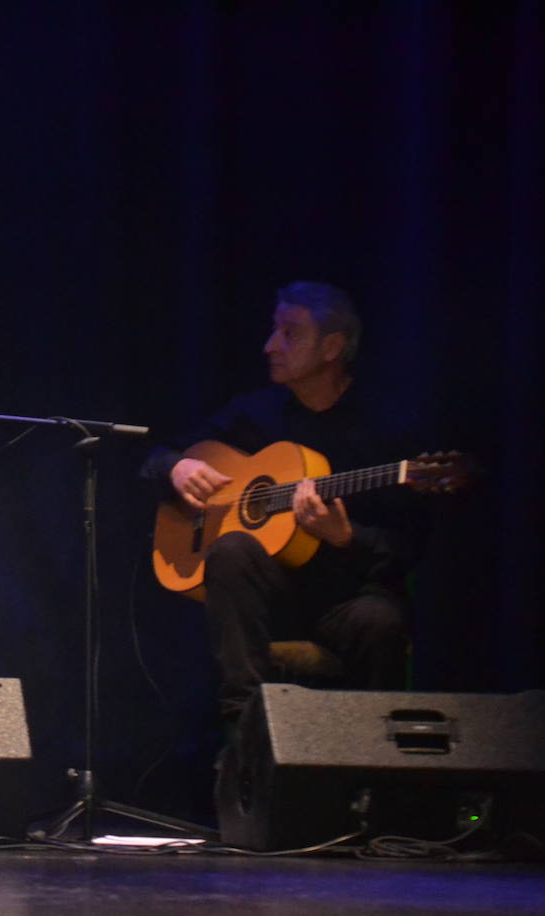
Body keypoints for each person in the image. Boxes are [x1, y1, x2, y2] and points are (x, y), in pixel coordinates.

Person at [142, 281, 422, 735]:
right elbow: (158, 458)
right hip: (270, 600)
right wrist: (178, 467)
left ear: (332, 348)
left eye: (289, 334)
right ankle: (244, 735)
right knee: (232, 548)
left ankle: (375, 761)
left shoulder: (383, 429)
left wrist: (347, 539)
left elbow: (408, 546)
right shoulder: (256, 412)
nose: (270, 345)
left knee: (382, 622)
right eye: (274, 331)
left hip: (345, 599)